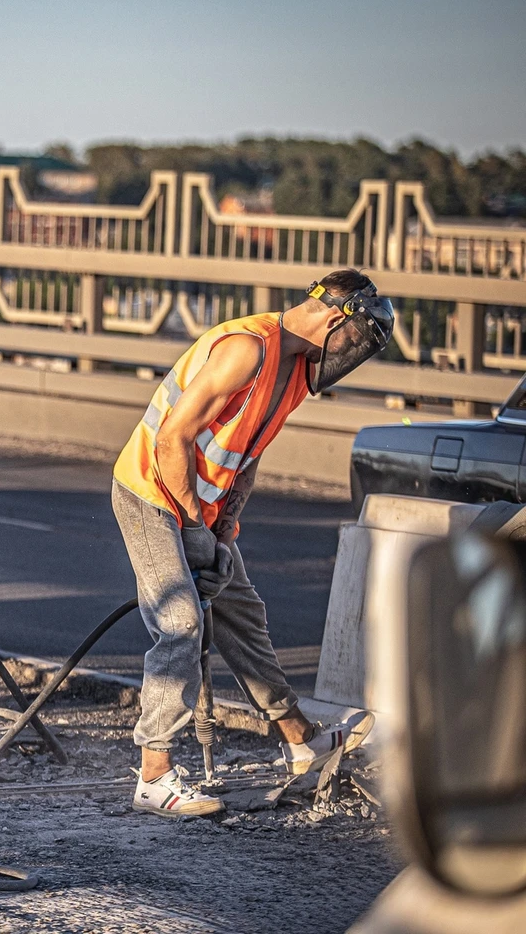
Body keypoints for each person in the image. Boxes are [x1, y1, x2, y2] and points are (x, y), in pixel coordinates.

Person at [112, 269, 394, 818]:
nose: (352, 357)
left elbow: (246, 458)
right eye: (357, 343)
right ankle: (153, 775)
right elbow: (173, 438)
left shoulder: (294, 374)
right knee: (182, 623)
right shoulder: (248, 349)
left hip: (199, 510)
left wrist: (221, 536)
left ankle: (300, 742)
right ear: (337, 319)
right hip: (150, 495)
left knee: (241, 612)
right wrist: (194, 528)